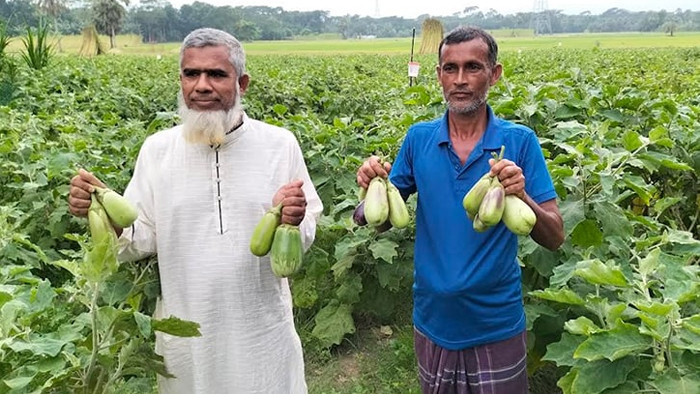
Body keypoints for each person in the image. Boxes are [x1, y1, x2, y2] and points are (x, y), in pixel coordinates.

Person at [68, 28, 322, 393]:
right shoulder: (157, 150)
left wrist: (294, 220)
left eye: (216, 74)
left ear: (242, 83)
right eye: (191, 74)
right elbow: (142, 236)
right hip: (185, 330)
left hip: (260, 331)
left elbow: (308, 226)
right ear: (181, 80)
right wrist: (104, 214)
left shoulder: (279, 145)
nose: (202, 85)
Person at [356, 26, 564, 394]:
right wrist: (371, 186)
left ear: (494, 74)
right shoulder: (418, 138)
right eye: (450, 69)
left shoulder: (519, 142)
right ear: (438, 75)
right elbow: (383, 222)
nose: (460, 80)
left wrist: (522, 194)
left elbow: (554, 236)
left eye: (473, 67)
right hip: (433, 319)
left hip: (496, 322)